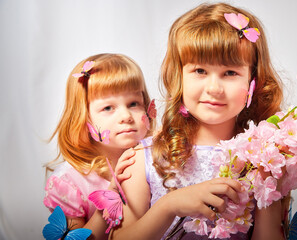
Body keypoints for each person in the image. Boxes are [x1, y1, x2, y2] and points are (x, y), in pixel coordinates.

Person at [111, 3, 287, 240]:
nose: (214, 89)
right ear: (179, 77)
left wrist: (270, 189)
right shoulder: (143, 158)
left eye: (230, 73)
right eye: (200, 71)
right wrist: (169, 205)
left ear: (253, 82)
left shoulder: (265, 160)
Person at [43, 53, 155, 239]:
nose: (126, 116)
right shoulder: (70, 182)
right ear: (83, 117)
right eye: (108, 108)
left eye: (133, 103)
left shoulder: (156, 159)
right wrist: (108, 199)